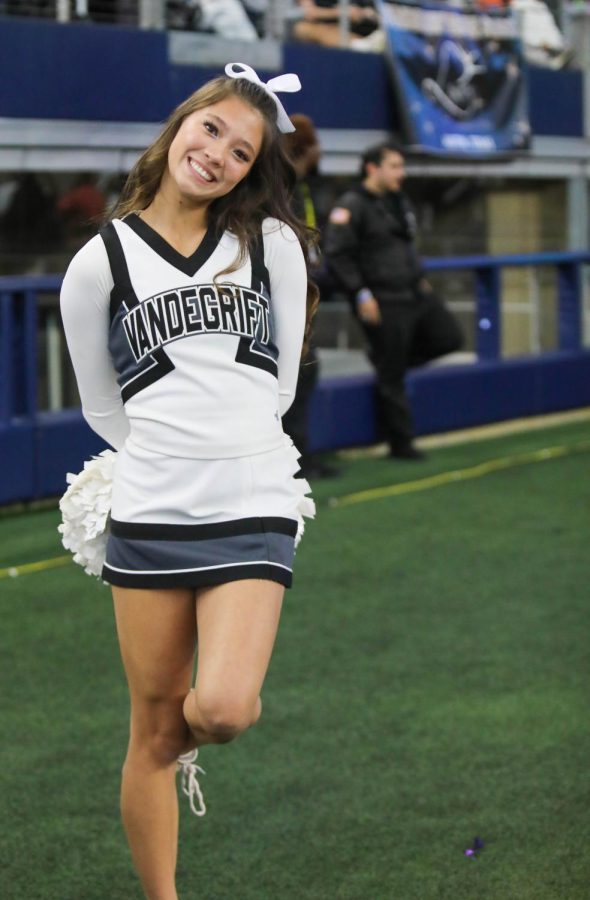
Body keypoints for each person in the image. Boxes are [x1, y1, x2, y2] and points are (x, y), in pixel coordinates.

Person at [60, 62, 317, 900]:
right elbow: (103, 407)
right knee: (152, 734)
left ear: (251, 168)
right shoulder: (98, 263)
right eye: (210, 131)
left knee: (223, 710)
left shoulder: (270, 243)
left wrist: (228, 443)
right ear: (181, 126)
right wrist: (173, 452)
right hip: (154, 506)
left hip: (252, 498)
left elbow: (280, 384)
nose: (218, 155)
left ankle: (198, 735)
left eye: (242, 151)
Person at [324, 140, 463, 460]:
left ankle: (388, 361)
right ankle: (401, 443)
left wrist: (418, 277)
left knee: (449, 337)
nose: (402, 173)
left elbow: (404, 245)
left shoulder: (398, 201)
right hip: (382, 299)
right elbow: (339, 256)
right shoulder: (352, 205)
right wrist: (361, 294)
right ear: (373, 168)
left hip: (413, 291)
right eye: (396, 166)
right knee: (393, 376)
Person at [281, 113, 339, 479]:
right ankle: (293, 459)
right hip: (283, 296)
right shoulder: (280, 187)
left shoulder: (303, 187)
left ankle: (300, 454)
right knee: (297, 373)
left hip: (304, 292)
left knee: (305, 372)